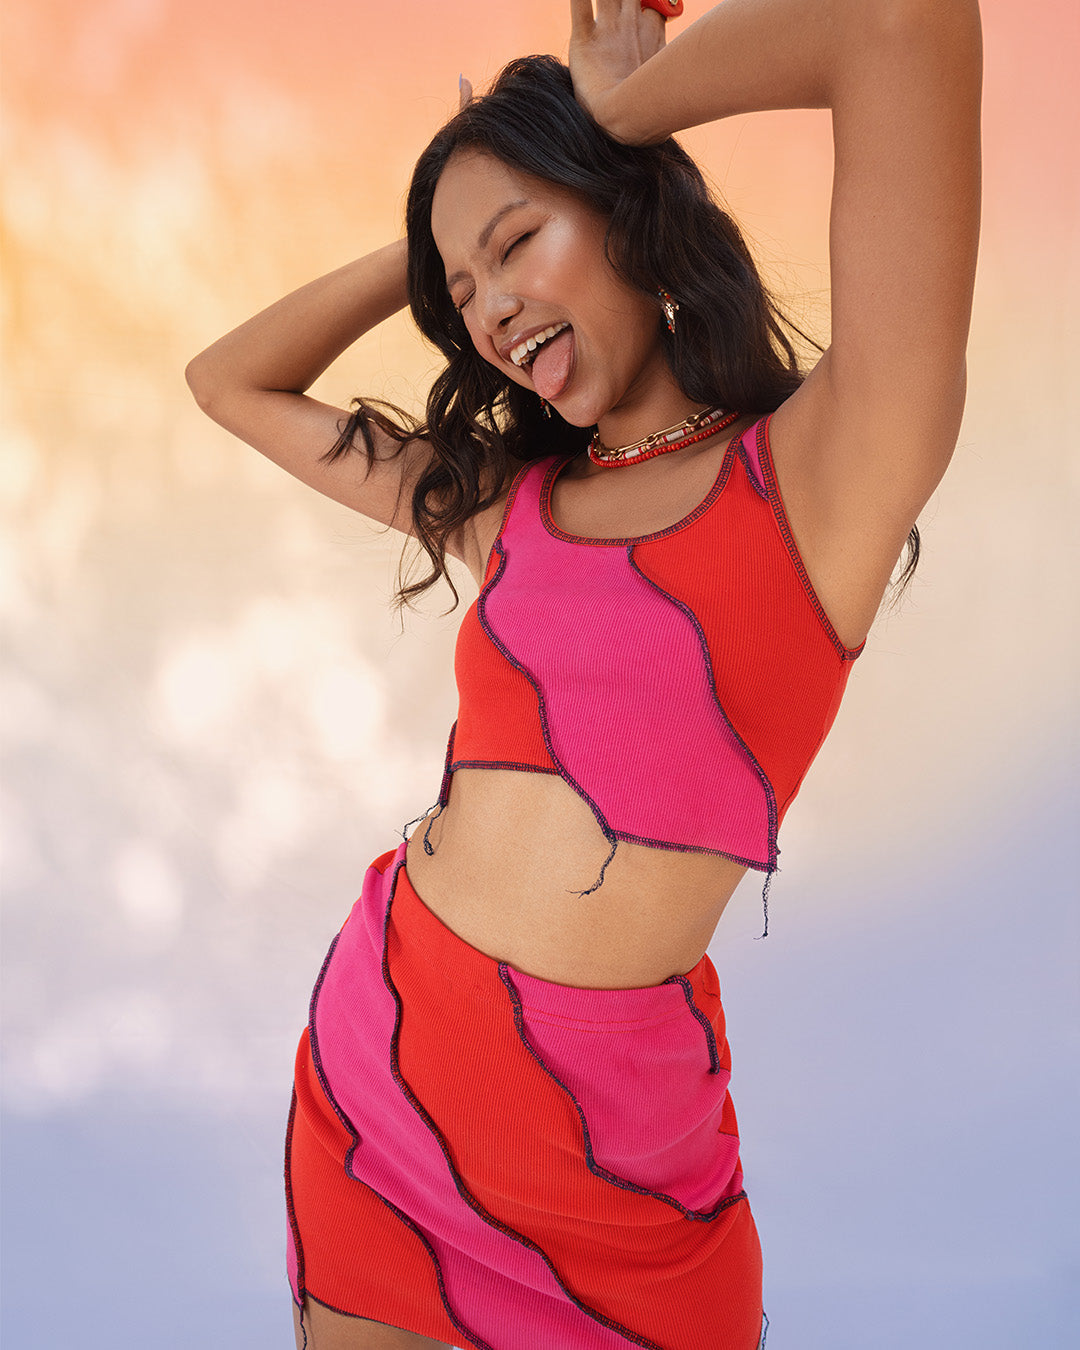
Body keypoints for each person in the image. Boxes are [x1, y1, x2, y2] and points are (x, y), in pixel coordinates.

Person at [185, 1, 982, 1346]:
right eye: (463, 293)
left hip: (621, 1163)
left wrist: (619, 112)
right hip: (388, 1076)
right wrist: (436, 239)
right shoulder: (515, 508)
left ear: (628, 212)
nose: (491, 309)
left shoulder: (825, 476)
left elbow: (904, 24)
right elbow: (230, 383)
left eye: (518, 244)